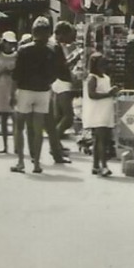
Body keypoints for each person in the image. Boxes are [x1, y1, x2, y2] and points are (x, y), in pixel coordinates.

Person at [9, 16, 64, 174]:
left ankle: (20, 162)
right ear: (48, 33)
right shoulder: (52, 50)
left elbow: (16, 74)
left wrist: (12, 94)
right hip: (43, 91)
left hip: (25, 90)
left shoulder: (23, 49)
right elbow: (55, 73)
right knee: (38, 129)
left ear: (33, 32)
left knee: (20, 128)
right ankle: (37, 164)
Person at [48, 21, 79, 163]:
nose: (71, 39)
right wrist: (75, 58)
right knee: (68, 117)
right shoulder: (55, 46)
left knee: (59, 117)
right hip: (62, 83)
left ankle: (57, 145)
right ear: (61, 34)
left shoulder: (56, 45)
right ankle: (54, 144)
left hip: (58, 83)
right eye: (69, 36)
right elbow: (62, 65)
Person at [83, 52, 116, 176]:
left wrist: (111, 92)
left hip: (105, 110)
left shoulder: (106, 77)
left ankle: (96, 165)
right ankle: (104, 166)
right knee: (102, 139)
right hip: (97, 112)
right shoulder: (92, 78)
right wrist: (108, 94)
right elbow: (92, 94)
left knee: (99, 140)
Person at [0, 31, 18, 148]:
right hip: (1, 87)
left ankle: (17, 146)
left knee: (15, 117)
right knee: (4, 118)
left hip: (13, 87)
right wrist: (3, 71)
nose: (10, 46)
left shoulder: (17, 55)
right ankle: (5, 146)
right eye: (8, 43)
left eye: (12, 43)